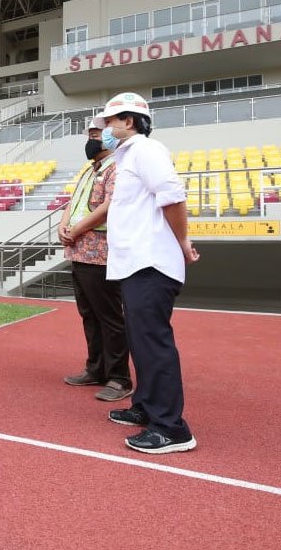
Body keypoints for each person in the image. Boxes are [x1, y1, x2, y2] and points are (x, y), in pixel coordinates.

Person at [94, 91, 200, 455]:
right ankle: (146, 405)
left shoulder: (146, 150)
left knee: (153, 344)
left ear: (128, 121)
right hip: (137, 264)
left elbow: (172, 197)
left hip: (151, 263)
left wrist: (183, 242)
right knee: (141, 341)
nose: (104, 129)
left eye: (109, 122)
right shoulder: (127, 157)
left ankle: (172, 428)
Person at [58, 117, 132, 402]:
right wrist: (62, 226)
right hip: (78, 252)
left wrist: (75, 230)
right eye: (89, 134)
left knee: (110, 318)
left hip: (100, 254)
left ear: (112, 136)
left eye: (97, 133)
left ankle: (120, 378)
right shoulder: (90, 170)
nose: (91, 139)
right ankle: (96, 369)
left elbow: (109, 207)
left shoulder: (118, 168)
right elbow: (71, 202)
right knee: (89, 315)